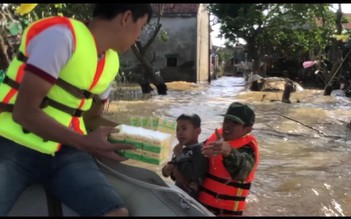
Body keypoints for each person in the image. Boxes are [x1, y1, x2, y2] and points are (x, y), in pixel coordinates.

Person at [0, 4, 152, 216]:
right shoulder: (61, 37)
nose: (139, 37)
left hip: (66, 152)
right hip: (12, 144)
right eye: (142, 27)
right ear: (126, 17)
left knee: (116, 213)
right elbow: (24, 112)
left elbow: (92, 119)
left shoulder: (110, 62)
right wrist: (85, 142)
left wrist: (137, 138)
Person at [198, 102, 260, 216]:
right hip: (200, 207)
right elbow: (195, 154)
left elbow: (243, 171)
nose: (227, 126)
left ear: (247, 129)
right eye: (226, 121)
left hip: (226, 212)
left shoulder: (248, 150)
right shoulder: (216, 138)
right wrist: (173, 164)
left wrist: (228, 151)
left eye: (235, 123)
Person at [161, 114, 209, 199]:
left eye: (184, 129)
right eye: (177, 130)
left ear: (197, 131)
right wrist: (166, 170)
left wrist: (179, 155)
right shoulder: (182, 149)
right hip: (179, 194)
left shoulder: (201, 151)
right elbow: (174, 172)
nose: (179, 133)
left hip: (191, 200)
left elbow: (191, 174)